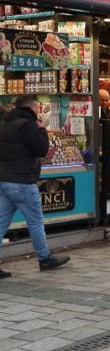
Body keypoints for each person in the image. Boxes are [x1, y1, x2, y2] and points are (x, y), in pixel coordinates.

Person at [0, 95, 70, 278]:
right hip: (23, 181)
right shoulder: (28, 125)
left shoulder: (5, 123)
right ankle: (44, 258)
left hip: (5, 180)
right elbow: (41, 149)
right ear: (31, 107)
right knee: (35, 221)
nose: (39, 110)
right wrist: (42, 130)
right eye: (37, 106)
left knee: (1, 223)